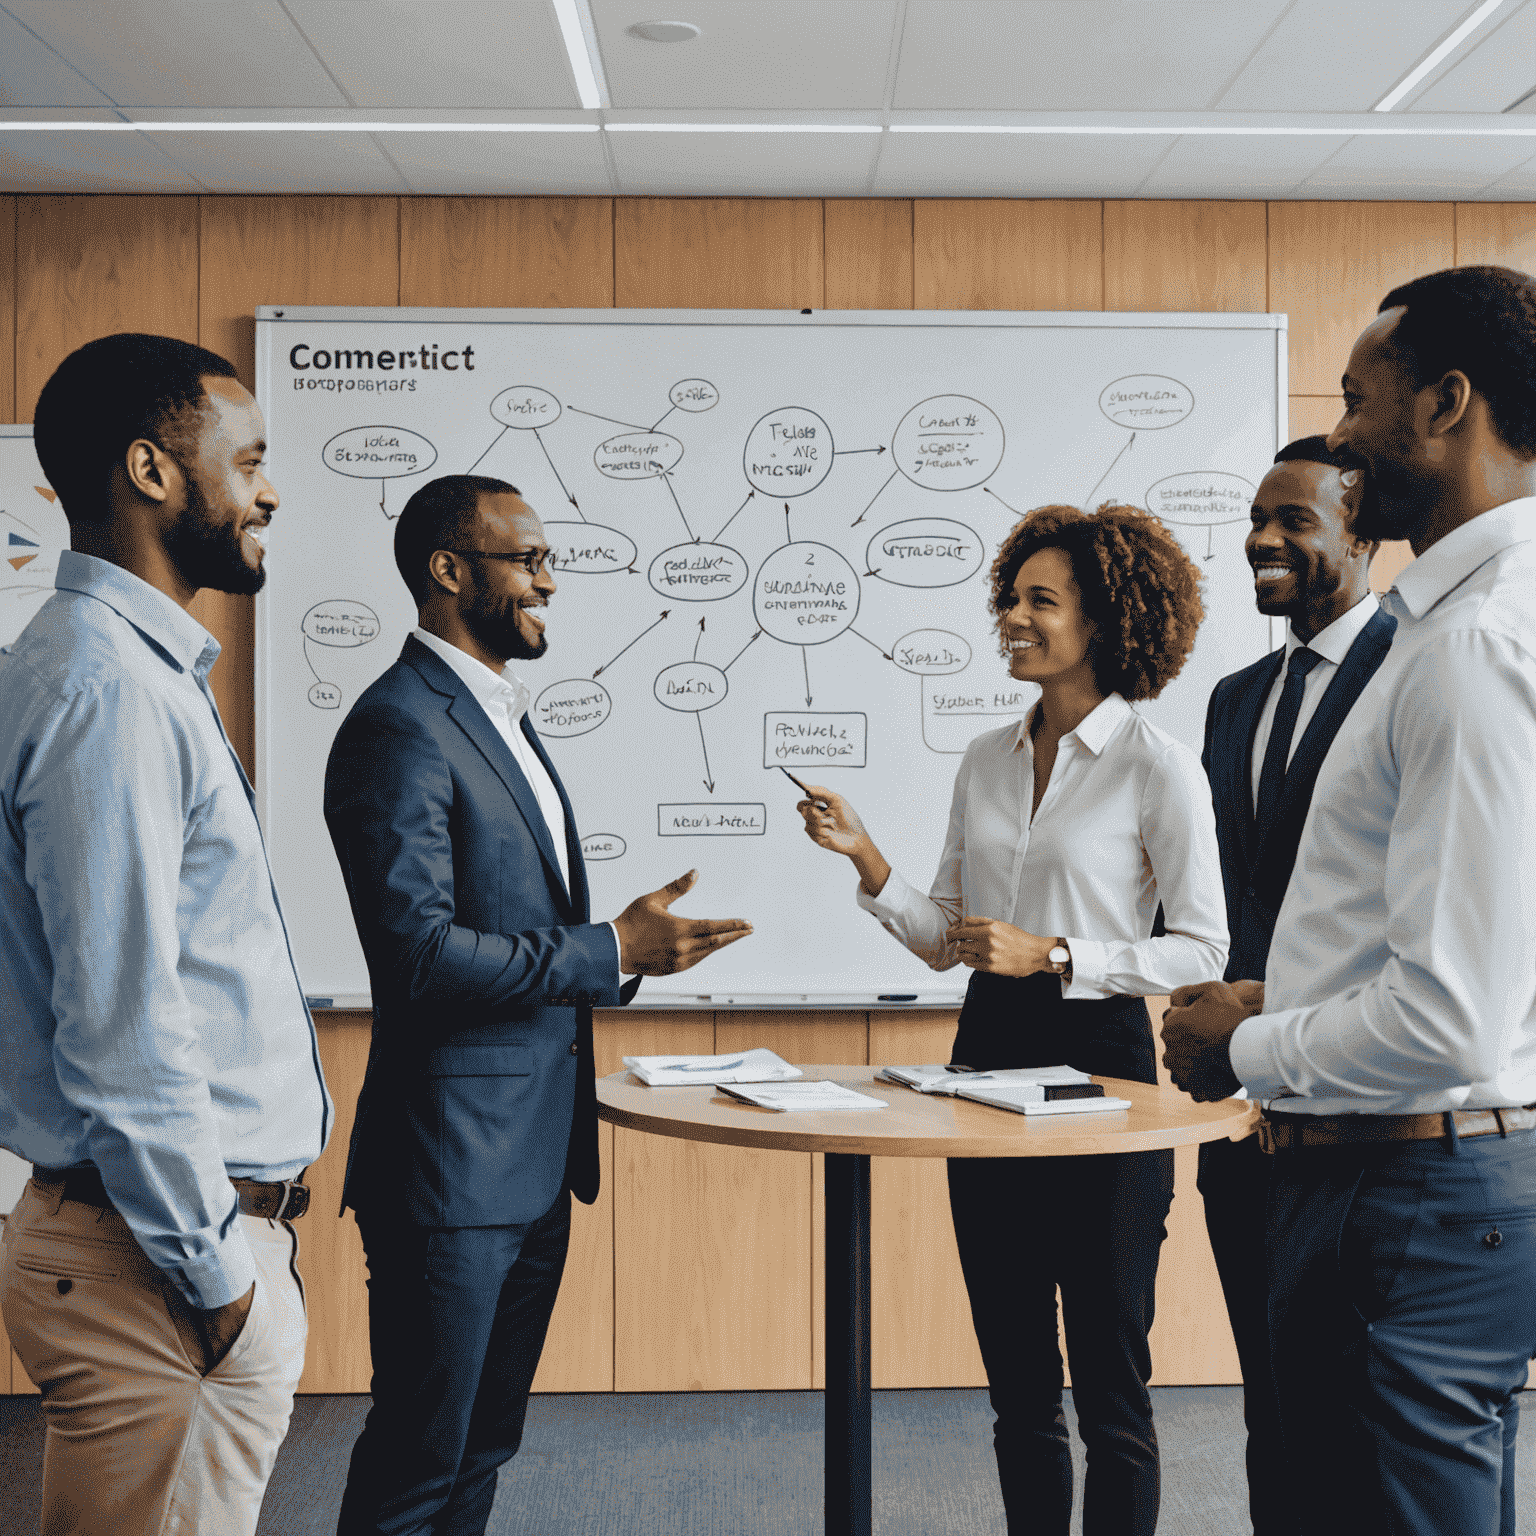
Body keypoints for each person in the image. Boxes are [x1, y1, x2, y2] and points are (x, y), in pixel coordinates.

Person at [1163, 265, 1536, 1536]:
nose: (1339, 435)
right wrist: (1299, 995)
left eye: (1357, 398)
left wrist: (1247, 1041)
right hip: (1410, 1176)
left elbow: (1450, 1023)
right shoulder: (1460, 627)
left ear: (1448, 401)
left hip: (1409, 1194)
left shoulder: (1473, 647)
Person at [323, 473, 751, 1536]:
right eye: (528, 558)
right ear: (448, 571)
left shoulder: (497, 718)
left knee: (480, 1452)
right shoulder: (400, 727)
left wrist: (631, 956)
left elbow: (521, 927)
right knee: (419, 1460)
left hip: (530, 1164)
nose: (550, 579)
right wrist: (607, 946)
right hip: (449, 1170)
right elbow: (416, 955)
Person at [797, 502, 1227, 1536]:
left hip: (1103, 1070)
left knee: (1113, 1385)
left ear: (1107, 617)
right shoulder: (986, 758)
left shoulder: (1155, 765)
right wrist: (867, 860)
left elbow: (1204, 949)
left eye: (1041, 601)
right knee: (1018, 1384)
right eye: (1010, 598)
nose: (1013, 619)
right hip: (983, 1061)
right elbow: (949, 934)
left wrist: (1062, 954)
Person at [0, 333, 331, 1535]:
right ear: (151, 470)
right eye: (247, 461)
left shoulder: (121, 672)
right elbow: (122, 1027)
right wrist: (219, 1284)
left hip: (144, 1248)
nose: (270, 491)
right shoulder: (111, 695)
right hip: (155, 1265)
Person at [1197, 435, 1395, 1536]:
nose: (1263, 541)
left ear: (1364, 534)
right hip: (1248, 1121)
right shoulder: (1232, 700)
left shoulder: (1416, 671)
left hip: (1377, 1130)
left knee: (1369, 1438)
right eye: (1257, 521)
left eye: (1296, 522)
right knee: (1272, 1420)